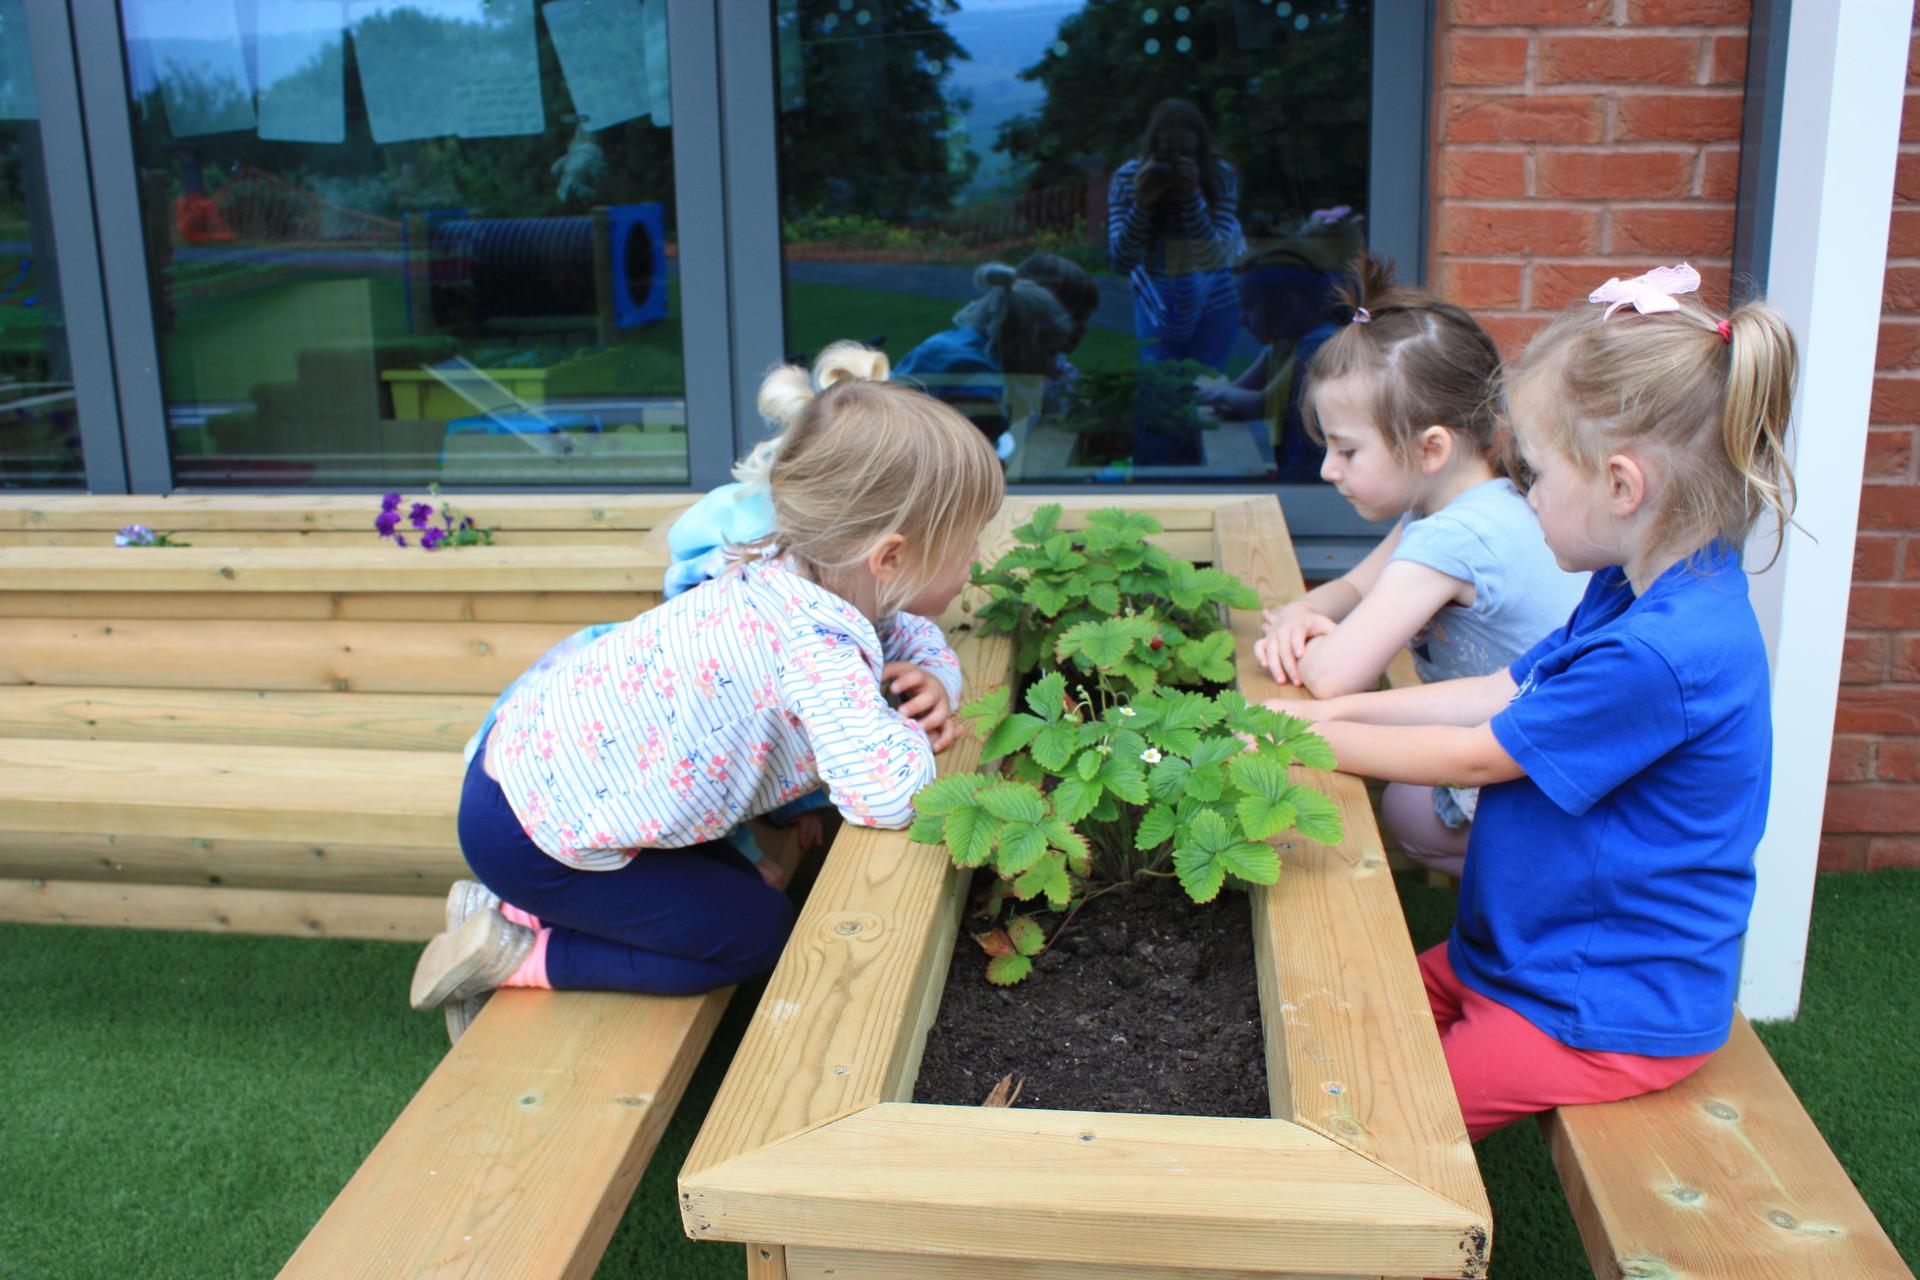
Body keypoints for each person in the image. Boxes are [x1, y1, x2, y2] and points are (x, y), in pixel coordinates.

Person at [1280, 263, 1797, 1140]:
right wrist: (1330, 716)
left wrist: (1304, 743)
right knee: (1351, 1015)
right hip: (1527, 958)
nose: (1525, 494)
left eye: (1538, 473)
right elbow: (1503, 687)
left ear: (1623, 487)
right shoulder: (1637, 585)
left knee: (1397, 1132)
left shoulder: (1661, 652)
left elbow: (1481, 752)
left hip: (1597, 1006)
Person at [412, 343, 1004, 1043]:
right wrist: (914, 730)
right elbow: (887, 796)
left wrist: (938, 676)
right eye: (967, 543)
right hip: (531, 836)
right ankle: (524, 951)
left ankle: (519, 906)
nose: (976, 559)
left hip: (530, 781)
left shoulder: (801, 573)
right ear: (891, 558)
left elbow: (901, 629)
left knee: (749, 890)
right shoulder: (816, 652)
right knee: (754, 936)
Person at [1254, 255, 1587, 875]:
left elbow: (1332, 678)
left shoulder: (1457, 536)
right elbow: (1354, 587)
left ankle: (1531, 894)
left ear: (1431, 448)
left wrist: (1308, 640)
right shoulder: (1458, 506)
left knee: (1407, 807)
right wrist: (1301, 613)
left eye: (1348, 450)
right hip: (1546, 750)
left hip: (1545, 782)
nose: (1328, 470)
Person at [1106, 98, 1244, 370]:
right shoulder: (1128, 178)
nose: (1174, 165)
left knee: (1206, 388)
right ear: (1151, 147)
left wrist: (1192, 196)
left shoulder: (1218, 175)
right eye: (1166, 154)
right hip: (1155, 297)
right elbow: (1121, 261)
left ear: (1200, 150)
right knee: (1160, 388)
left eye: (1185, 155)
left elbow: (1213, 258)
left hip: (1216, 297)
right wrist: (1143, 203)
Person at [895, 261, 1076, 458]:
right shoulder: (976, 370)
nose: (1053, 364)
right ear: (1020, 344)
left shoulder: (949, 342)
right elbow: (987, 438)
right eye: (1050, 352)